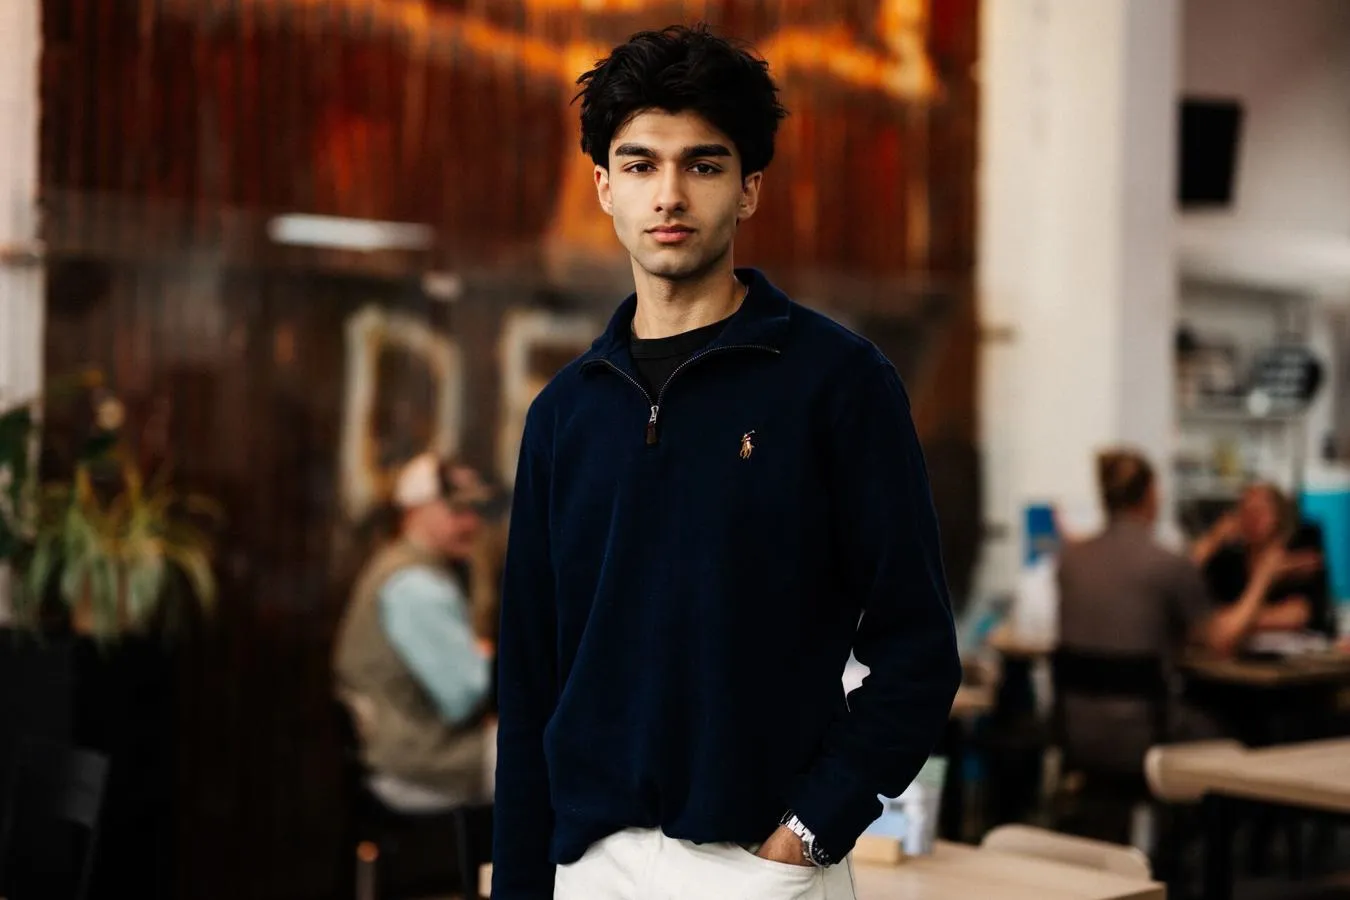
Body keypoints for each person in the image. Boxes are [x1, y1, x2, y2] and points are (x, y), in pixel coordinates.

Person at [492, 24, 961, 900]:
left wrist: (809, 832)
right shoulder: (564, 413)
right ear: (604, 186)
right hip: (590, 863)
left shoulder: (838, 383)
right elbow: (529, 685)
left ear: (748, 189)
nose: (669, 194)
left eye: (702, 165)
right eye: (640, 164)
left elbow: (919, 650)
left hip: (760, 863)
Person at [1056, 450, 1276, 783]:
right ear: (1150, 495)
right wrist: (1264, 577)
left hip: (1076, 733)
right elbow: (1222, 641)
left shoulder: (1071, 561)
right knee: (1249, 731)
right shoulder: (1166, 564)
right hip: (1146, 737)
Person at [334, 452, 495, 809]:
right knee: (562, 758)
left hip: (408, 748)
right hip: (420, 760)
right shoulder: (416, 584)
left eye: (474, 510)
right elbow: (465, 695)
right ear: (416, 511)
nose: (471, 522)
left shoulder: (416, 568)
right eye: (457, 510)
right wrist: (489, 658)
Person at [1191, 482, 1334, 639]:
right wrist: (1214, 539)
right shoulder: (1229, 559)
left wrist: (1234, 619)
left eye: (1261, 510)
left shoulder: (1299, 553)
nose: (1253, 518)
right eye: (1246, 511)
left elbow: (1296, 614)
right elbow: (1186, 577)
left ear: (1279, 516)